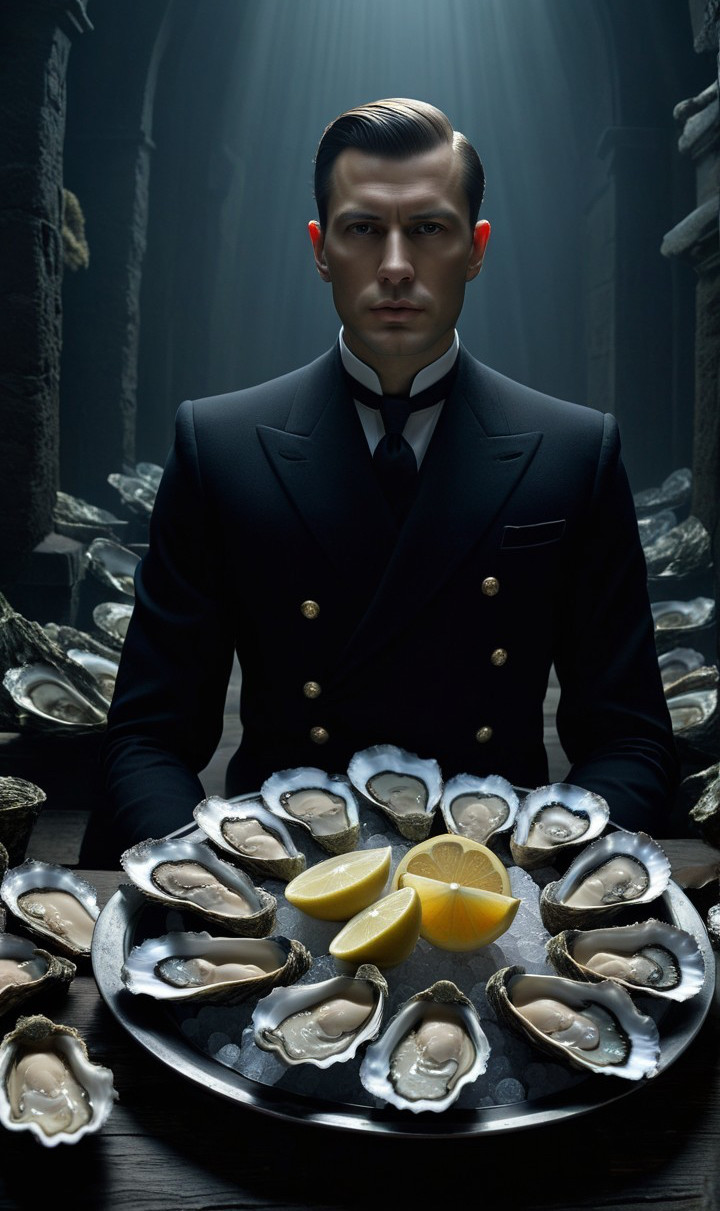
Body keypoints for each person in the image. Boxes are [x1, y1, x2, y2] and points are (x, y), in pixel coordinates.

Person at [79, 98, 678, 868]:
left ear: (476, 248)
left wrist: (548, 877)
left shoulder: (574, 451)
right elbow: (147, 736)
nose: (396, 263)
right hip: (282, 884)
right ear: (321, 248)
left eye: (429, 229)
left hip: (500, 894)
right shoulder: (219, 445)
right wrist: (205, 875)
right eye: (364, 229)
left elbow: (629, 738)